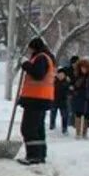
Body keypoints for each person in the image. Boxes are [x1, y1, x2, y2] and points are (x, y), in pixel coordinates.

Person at [17, 37, 56, 165]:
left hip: (36, 99)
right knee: (38, 128)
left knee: (28, 129)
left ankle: (33, 155)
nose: (28, 51)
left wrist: (26, 65)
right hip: (41, 99)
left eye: (30, 48)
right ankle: (40, 154)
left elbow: (38, 74)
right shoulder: (47, 57)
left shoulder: (41, 58)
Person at [71, 59, 89, 139]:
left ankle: (84, 133)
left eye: (85, 67)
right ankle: (77, 133)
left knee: (87, 116)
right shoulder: (76, 76)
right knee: (78, 115)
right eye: (82, 67)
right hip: (78, 98)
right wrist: (73, 91)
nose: (83, 69)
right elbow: (71, 86)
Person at [50, 55, 77, 136]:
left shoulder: (67, 82)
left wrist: (71, 91)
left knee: (64, 115)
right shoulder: (54, 81)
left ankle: (64, 128)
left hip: (63, 101)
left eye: (62, 75)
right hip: (54, 100)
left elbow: (70, 90)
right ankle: (52, 125)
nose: (60, 76)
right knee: (53, 113)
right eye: (59, 74)